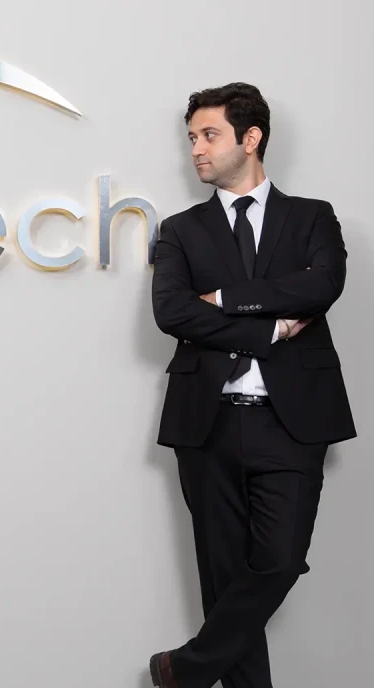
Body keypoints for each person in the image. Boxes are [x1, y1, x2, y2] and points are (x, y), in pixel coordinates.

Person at [146, 82, 356, 688]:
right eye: (191, 137)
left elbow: (322, 285)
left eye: (209, 135)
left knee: (279, 562)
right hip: (206, 423)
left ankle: (184, 669)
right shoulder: (180, 230)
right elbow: (172, 312)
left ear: (251, 137)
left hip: (292, 422)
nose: (196, 149)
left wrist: (226, 299)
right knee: (223, 577)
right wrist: (270, 329)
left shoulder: (312, 217)